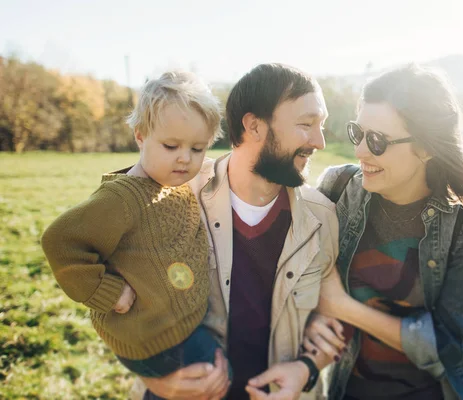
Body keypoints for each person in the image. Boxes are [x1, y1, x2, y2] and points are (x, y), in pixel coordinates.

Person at [132, 63, 338, 400]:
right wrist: (155, 380)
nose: (319, 141)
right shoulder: (175, 198)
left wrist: (306, 368)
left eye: (321, 125)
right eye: (306, 124)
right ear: (254, 125)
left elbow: (331, 317)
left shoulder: (322, 217)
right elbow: (117, 304)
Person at [304, 64, 463, 400]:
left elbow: (452, 346)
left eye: (377, 140)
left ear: (427, 147)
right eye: (358, 133)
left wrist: (344, 307)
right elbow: (289, 277)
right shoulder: (337, 191)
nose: (361, 150)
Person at [41, 72, 233, 382]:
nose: (185, 158)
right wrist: (108, 292)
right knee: (221, 380)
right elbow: (59, 242)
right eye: (171, 146)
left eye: (197, 149)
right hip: (155, 342)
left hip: (181, 327)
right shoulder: (122, 199)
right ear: (140, 136)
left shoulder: (172, 178)